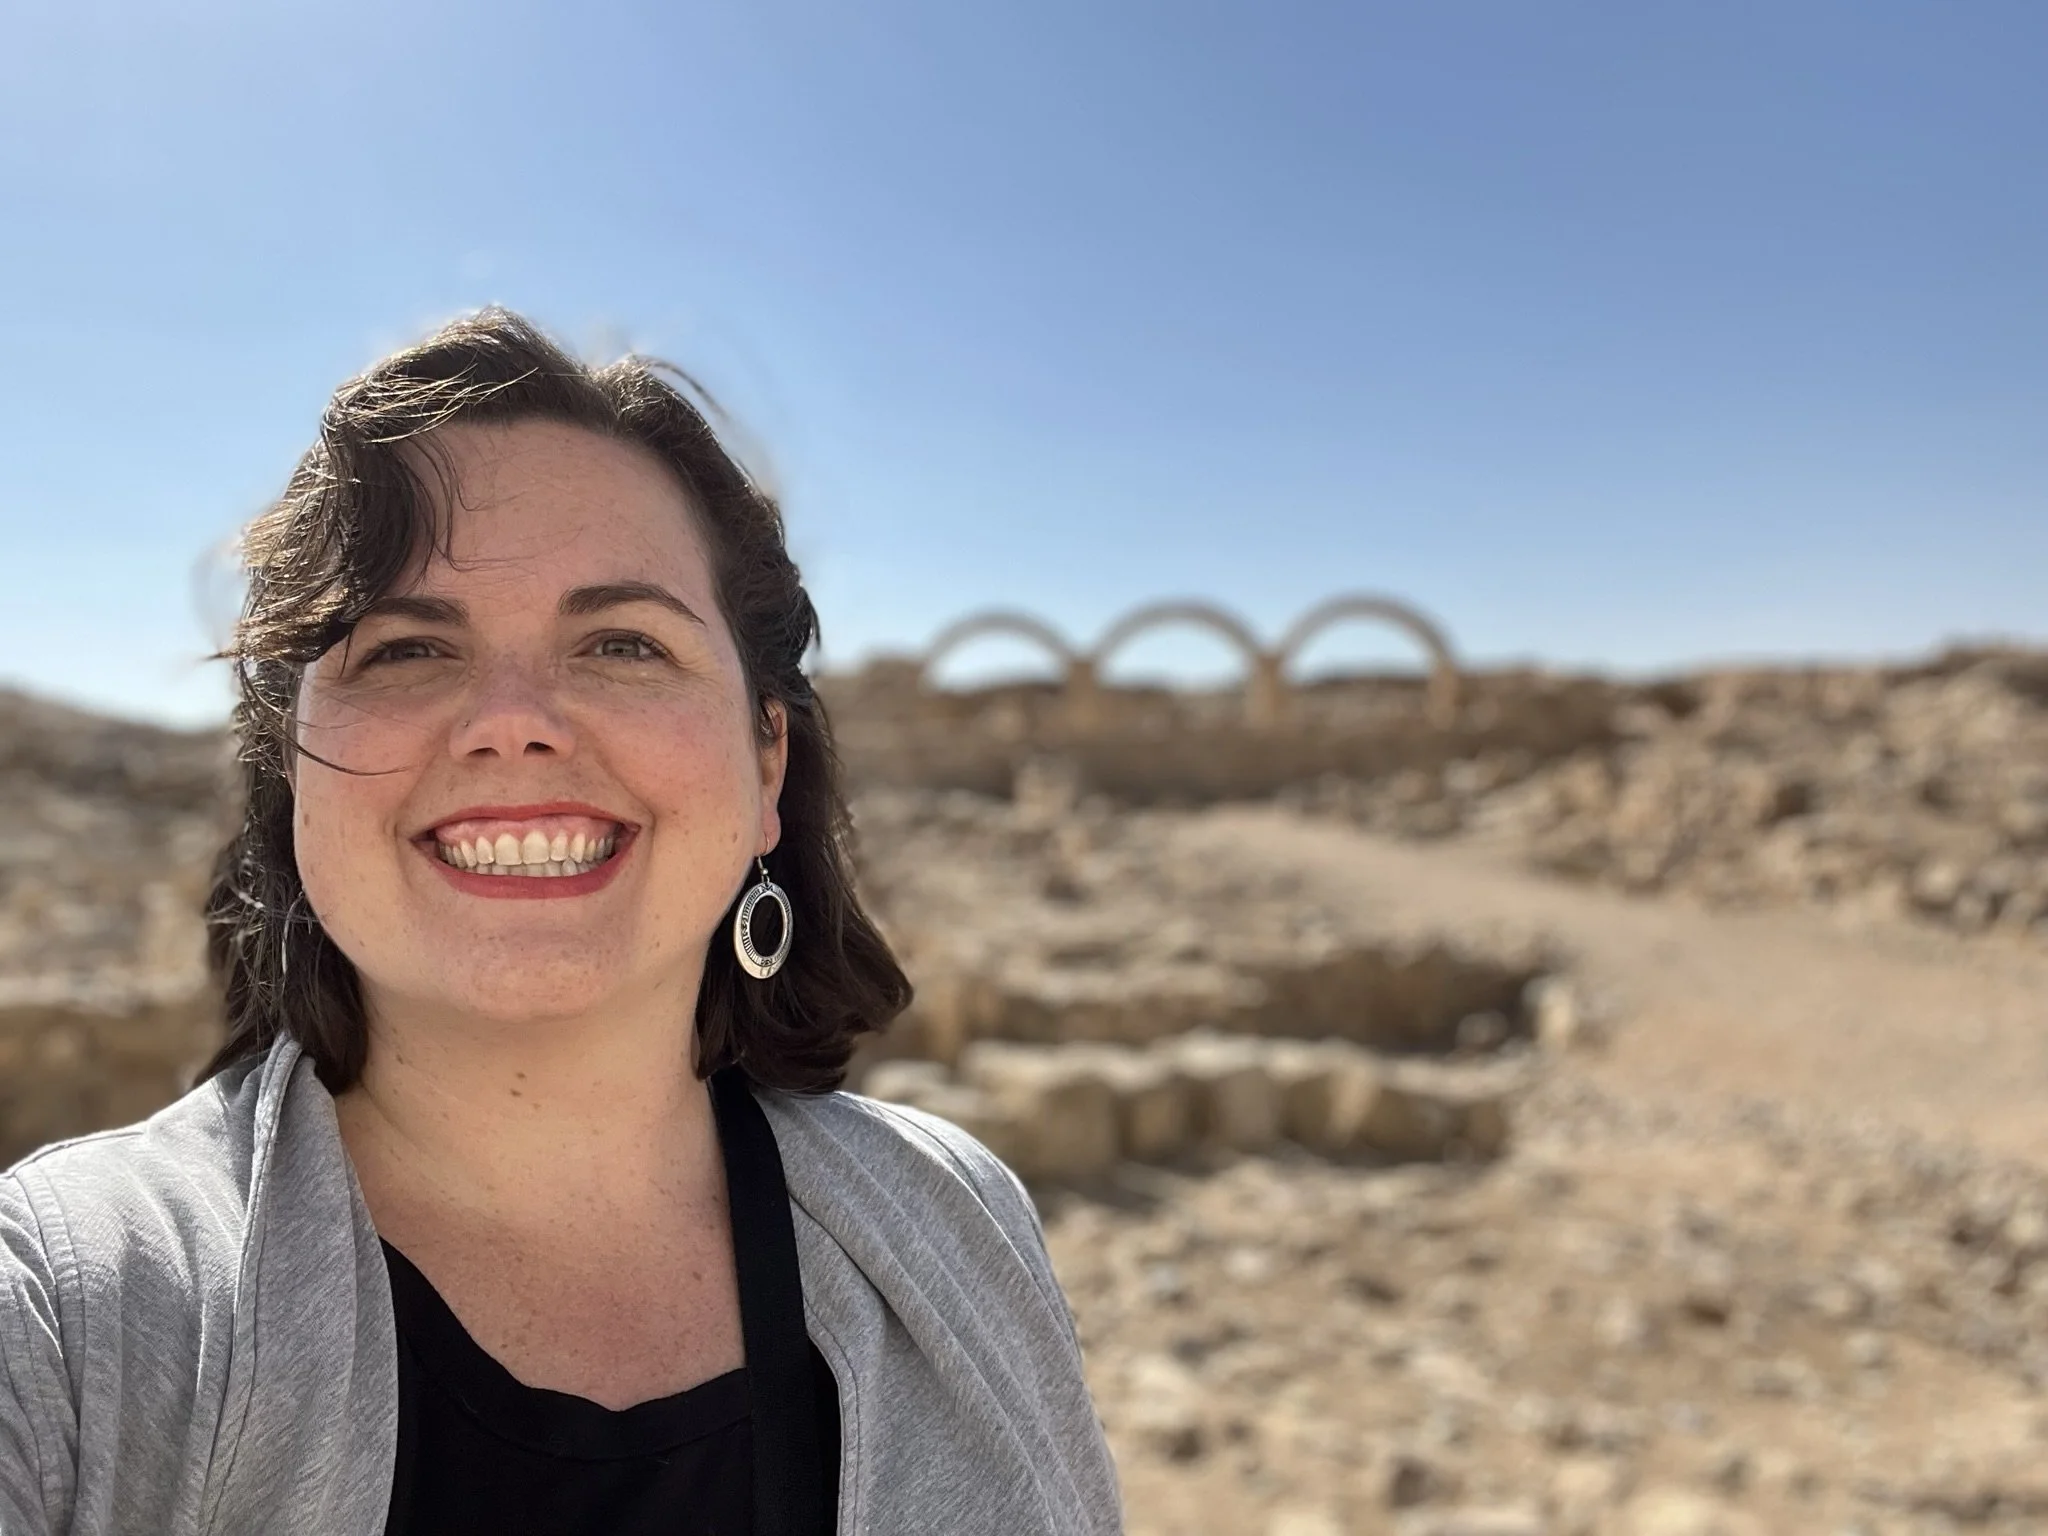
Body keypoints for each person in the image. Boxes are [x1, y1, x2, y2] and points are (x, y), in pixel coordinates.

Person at [0, 310, 1123, 1534]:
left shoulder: (959, 1222)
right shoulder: (65, 1315)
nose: (513, 721)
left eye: (623, 643)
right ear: (291, 772)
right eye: (406, 649)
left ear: (763, 766)